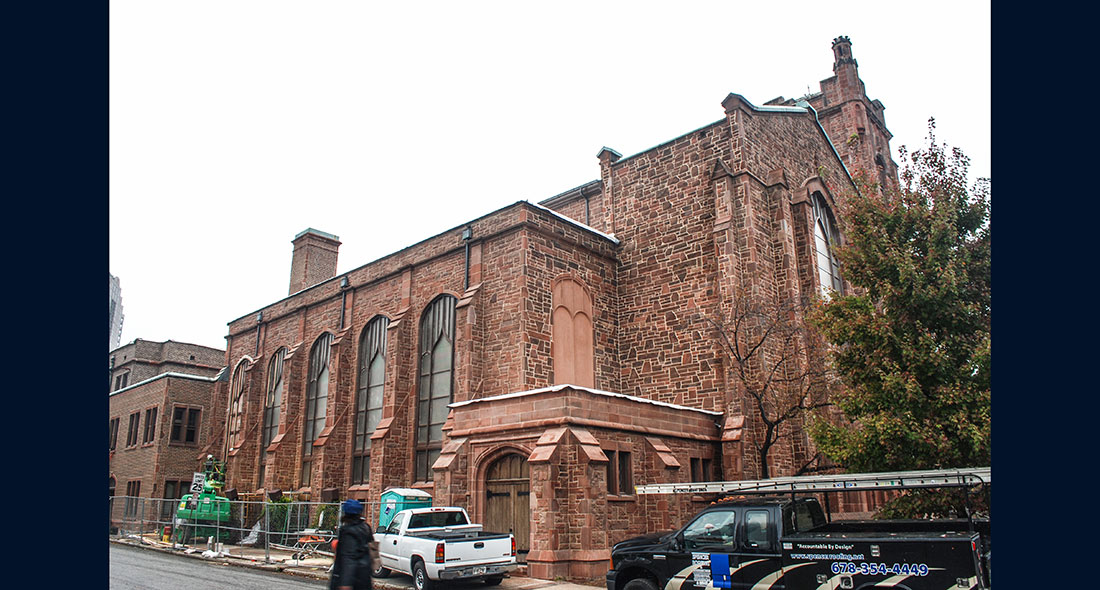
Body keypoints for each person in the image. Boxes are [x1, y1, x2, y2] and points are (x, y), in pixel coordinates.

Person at [330, 499, 374, 590]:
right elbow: (371, 548)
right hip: (364, 575)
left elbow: (349, 557)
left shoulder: (348, 531)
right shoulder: (366, 527)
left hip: (352, 579)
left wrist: (345, 583)